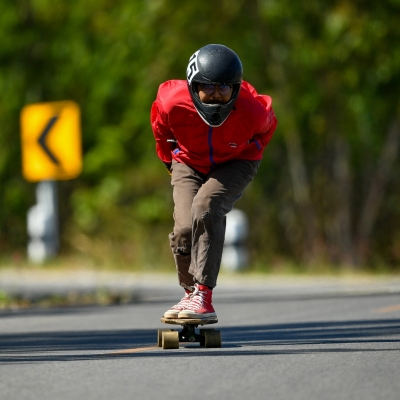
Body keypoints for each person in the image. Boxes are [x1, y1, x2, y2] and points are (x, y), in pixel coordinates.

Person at [150, 44, 277, 320]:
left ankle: (204, 296)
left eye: (224, 88)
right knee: (184, 227)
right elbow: (160, 127)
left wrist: (248, 149)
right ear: (194, 86)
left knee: (207, 205)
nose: (217, 95)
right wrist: (169, 162)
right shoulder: (172, 101)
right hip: (187, 160)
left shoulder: (253, 110)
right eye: (208, 87)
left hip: (237, 160)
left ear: (236, 87)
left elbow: (268, 129)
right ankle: (189, 294)